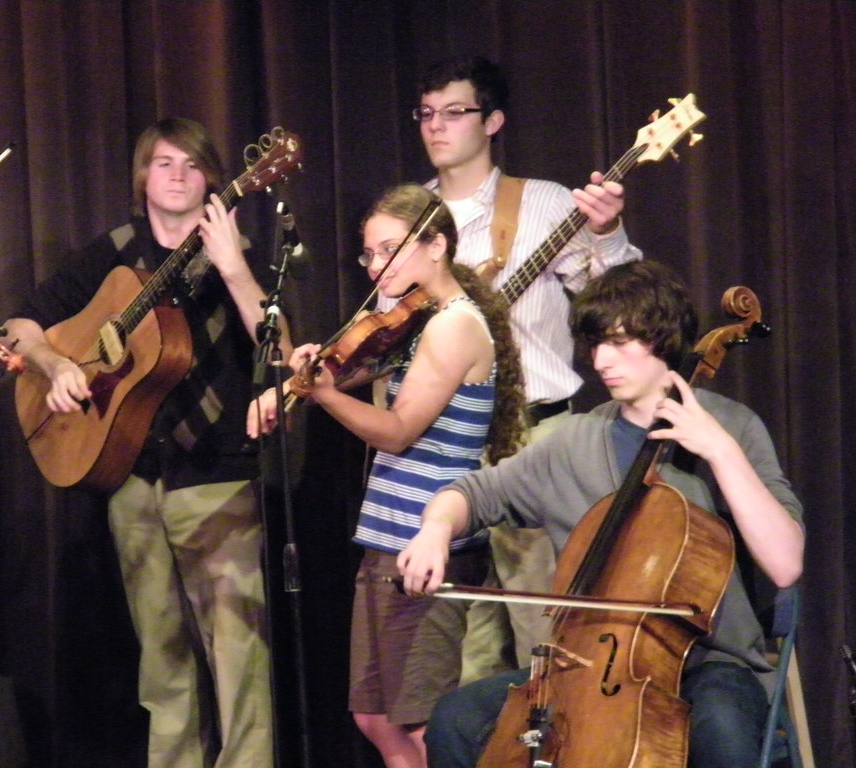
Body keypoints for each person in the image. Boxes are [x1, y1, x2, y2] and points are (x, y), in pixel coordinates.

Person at [397, 260, 805, 768]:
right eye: (595, 344)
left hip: (710, 664)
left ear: (664, 339)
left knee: (724, 734)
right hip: (585, 666)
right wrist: (435, 529)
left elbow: (786, 562)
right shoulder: (572, 442)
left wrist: (720, 454)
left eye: (619, 342)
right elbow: (473, 494)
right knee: (457, 719)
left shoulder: (732, 427)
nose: (601, 359)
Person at [2, 118, 285, 768]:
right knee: (162, 660)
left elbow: (285, 344)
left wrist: (237, 271)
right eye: (163, 163)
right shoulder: (116, 251)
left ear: (216, 176)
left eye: (190, 163)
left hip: (216, 473)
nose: (178, 175)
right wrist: (55, 364)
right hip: (131, 476)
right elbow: (19, 325)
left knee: (239, 658)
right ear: (142, 178)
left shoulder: (234, 250)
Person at [249, 183, 524, 768]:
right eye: (369, 254)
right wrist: (304, 376)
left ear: (437, 247)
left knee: (422, 721)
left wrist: (321, 394)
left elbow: (399, 430)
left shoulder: (454, 324)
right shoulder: (414, 322)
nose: (376, 267)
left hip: (425, 544)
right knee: (374, 715)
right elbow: (346, 371)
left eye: (389, 250)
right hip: (386, 540)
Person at [407, 54, 644, 671]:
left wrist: (608, 233)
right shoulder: (410, 219)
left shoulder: (541, 204)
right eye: (427, 113)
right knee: (462, 649)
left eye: (454, 112)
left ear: (493, 121)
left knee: (543, 631)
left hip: (534, 434)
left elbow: (618, 304)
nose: (436, 126)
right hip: (444, 445)